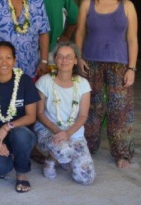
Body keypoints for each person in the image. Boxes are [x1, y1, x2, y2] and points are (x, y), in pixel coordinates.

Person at [75, 0, 138, 169]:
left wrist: (132, 68)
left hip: (119, 65)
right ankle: (87, 148)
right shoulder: (87, 4)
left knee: (119, 111)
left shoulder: (127, 6)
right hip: (91, 64)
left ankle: (122, 153)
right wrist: (79, 58)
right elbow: (80, 33)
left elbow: (132, 39)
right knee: (91, 109)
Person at [0, 41, 39, 193]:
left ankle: (21, 173)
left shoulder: (25, 81)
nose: (4, 63)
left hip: (20, 134)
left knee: (20, 135)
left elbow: (31, 116)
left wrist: (7, 127)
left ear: (14, 60)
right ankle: (7, 155)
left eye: (8, 58)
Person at [34, 42, 95, 185]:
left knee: (86, 179)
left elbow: (83, 116)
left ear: (75, 60)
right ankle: (50, 160)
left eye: (69, 57)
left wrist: (67, 133)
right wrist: (58, 131)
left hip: (74, 133)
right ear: (55, 59)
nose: (64, 60)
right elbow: (40, 113)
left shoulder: (83, 84)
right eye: (60, 57)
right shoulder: (44, 82)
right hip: (49, 131)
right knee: (65, 151)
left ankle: (66, 158)